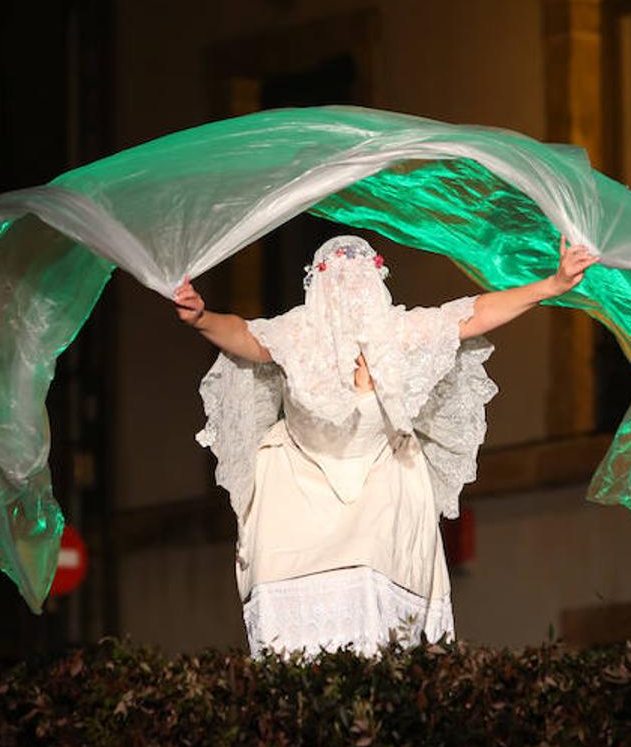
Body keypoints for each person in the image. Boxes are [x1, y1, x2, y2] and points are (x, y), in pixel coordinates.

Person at [173, 233, 597, 658]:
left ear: (377, 280)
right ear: (318, 286)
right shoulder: (297, 335)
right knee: (289, 626)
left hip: (379, 482)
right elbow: (246, 335)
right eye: (337, 279)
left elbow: (472, 315)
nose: (350, 292)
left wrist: (552, 284)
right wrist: (201, 317)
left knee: (375, 618)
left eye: (360, 279)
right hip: (298, 488)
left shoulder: (396, 334)